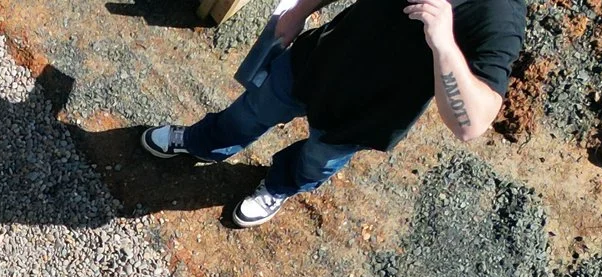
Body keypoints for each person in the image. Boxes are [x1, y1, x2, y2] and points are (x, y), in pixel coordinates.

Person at [139, 0, 526, 228]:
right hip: (314, 63)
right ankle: (202, 142)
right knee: (248, 113)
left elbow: (472, 123)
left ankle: (280, 185)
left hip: (364, 117)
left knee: (314, 162)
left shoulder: (500, 14)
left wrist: (443, 43)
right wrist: (300, 11)